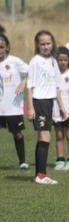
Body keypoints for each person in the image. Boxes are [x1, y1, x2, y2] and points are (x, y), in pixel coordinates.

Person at [26, 30, 65, 184]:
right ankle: (41, 175)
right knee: (45, 137)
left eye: (48, 43)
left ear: (53, 43)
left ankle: (39, 174)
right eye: (42, 44)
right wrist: (30, 107)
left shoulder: (53, 61)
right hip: (39, 102)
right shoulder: (35, 61)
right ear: (37, 45)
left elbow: (56, 86)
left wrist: (61, 106)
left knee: (43, 137)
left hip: (49, 103)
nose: (46, 46)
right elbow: (29, 86)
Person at [0, 33, 29, 170]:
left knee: (17, 133)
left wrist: (23, 81)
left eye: (1, 47)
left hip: (13, 106)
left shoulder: (15, 61)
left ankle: (22, 162)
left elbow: (30, 71)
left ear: (6, 48)